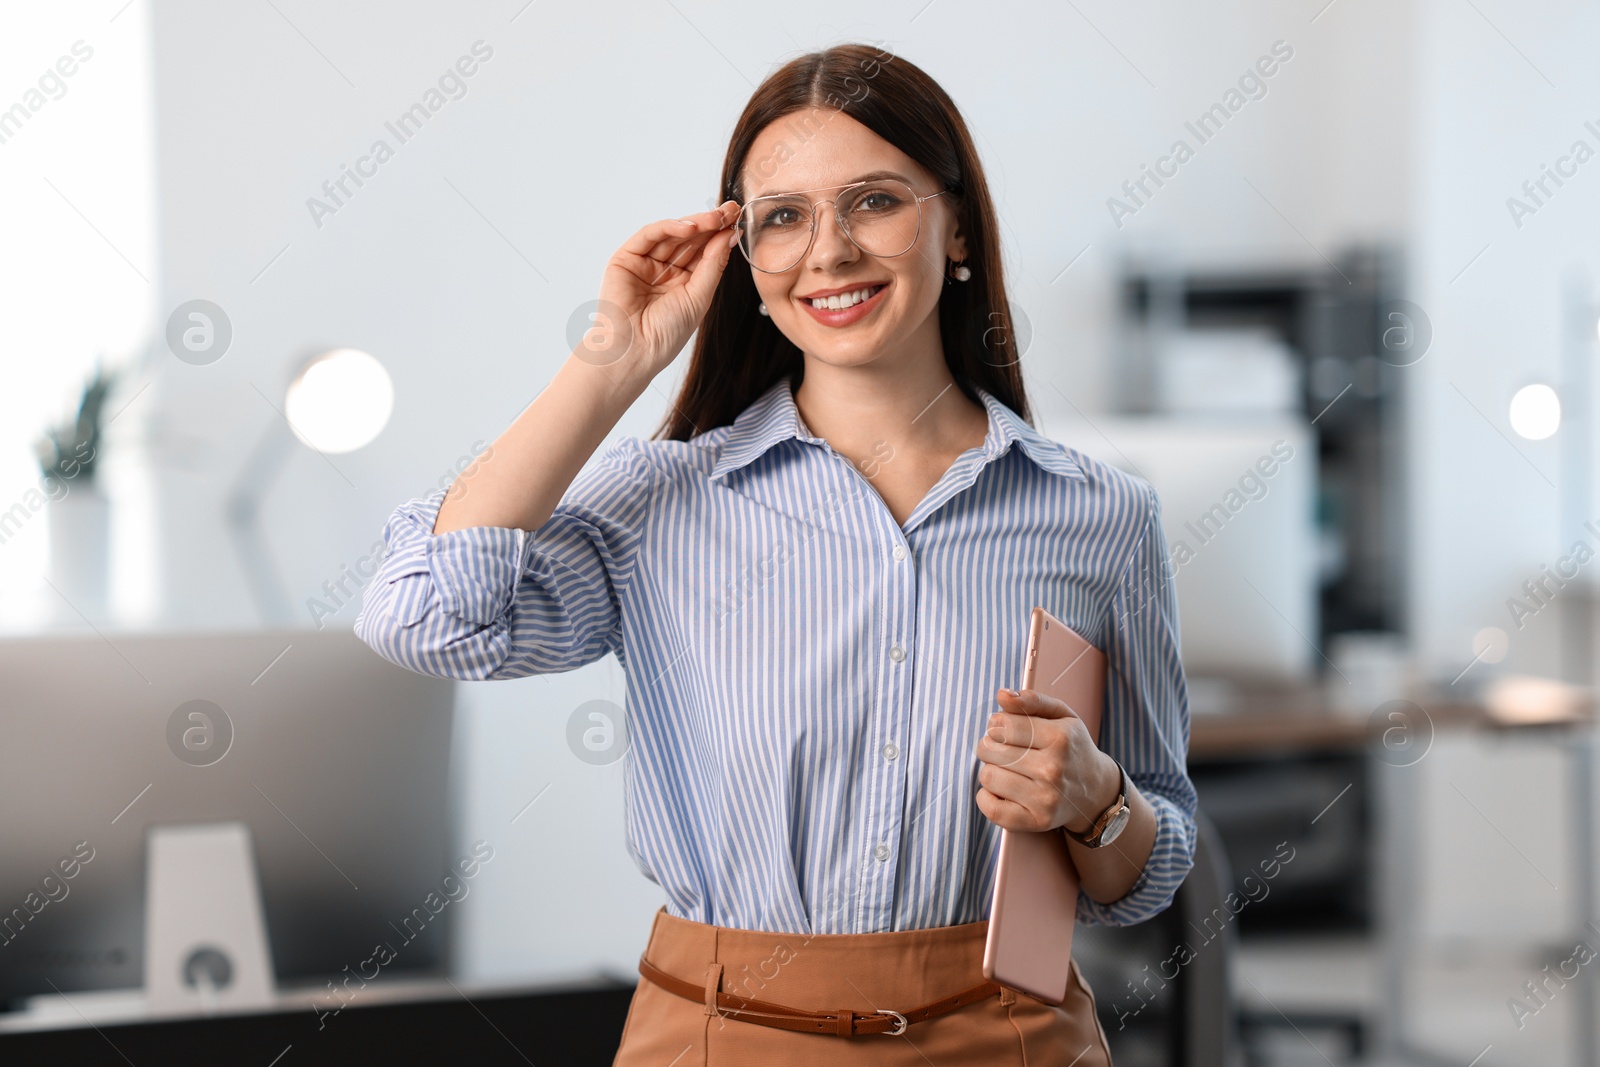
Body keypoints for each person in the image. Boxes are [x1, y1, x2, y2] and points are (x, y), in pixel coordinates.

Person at [356, 42, 1196, 1066]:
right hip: (721, 1037)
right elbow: (426, 618)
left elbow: (1149, 871)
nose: (829, 250)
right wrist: (611, 359)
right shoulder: (663, 501)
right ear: (744, 257)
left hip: (1007, 1035)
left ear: (959, 225)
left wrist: (1098, 800)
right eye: (783, 217)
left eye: (874, 201)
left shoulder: (1098, 516)